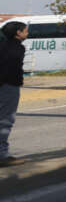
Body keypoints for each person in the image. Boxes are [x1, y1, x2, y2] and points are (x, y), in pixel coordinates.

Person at [0, 21, 29, 167]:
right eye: (25, 31)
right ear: (18, 33)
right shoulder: (16, 48)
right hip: (8, 86)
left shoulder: (3, 45)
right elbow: (9, 68)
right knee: (5, 121)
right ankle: (2, 155)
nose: (27, 33)